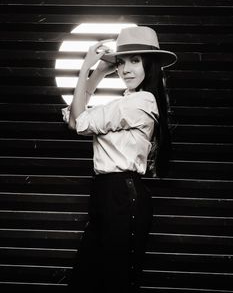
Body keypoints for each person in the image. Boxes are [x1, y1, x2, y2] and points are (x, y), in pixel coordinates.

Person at [62, 26, 177, 292]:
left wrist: (85, 69)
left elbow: (79, 122)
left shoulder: (140, 103)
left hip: (123, 197)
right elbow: (73, 118)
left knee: (114, 283)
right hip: (107, 194)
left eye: (135, 61)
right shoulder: (126, 102)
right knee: (87, 281)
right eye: (121, 62)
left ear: (151, 64)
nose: (126, 69)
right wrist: (99, 73)